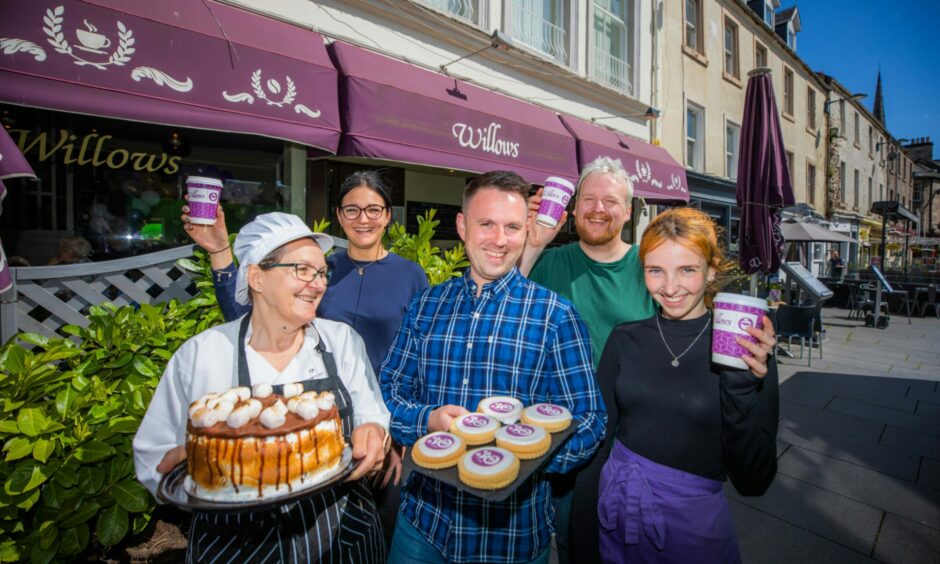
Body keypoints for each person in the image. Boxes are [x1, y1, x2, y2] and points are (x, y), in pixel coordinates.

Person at [183, 171, 428, 544]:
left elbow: (419, 361)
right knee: (318, 534)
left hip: (382, 424)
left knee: (380, 531)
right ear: (338, 215)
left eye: (374, 209)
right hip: (313, 423)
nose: (364, 218)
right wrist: (220, 253)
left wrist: (396, 436)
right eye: (353, 209)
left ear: (388, 215)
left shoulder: (411, 276)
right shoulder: (317, 269)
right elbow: (249, 319)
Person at [133, 212, 392, 562]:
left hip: (344, 533)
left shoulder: (341, 341)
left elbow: (372, 413)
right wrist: (194, 467)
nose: (317, 284)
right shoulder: (203, 354)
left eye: (321, 273)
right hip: (236, 544)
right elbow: (152, 457)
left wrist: (375, 431)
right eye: (302, 269)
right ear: (256, 277)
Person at [380, 171, 607, 564]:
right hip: (422, 524)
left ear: (526, 231)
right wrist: (427, 420)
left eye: (513, 227)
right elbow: (389, 392)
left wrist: (523, 459)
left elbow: (590, 420)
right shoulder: (426, 306)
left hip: (511, 537)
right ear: (462, 226)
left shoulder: (556, 316)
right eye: (486, 224)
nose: (500, 240)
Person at [595, 207, 778, 563]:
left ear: (711, 271)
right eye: (655, 271)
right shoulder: (624, 339)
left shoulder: (746, 350)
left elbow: (754, 481)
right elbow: (599, 449)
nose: (670, 287)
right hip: (618, 513)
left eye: (687, 270)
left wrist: (741, 385)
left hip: (695, 532)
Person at [518, 157, 653, 563]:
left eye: (610, 201)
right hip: (565, 438)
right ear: (573, 209)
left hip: (633, 441)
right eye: (589, 199)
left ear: (627, 211)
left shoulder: (649, 269)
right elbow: (501, 303)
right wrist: (534, 242)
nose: (598, 209)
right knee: (575, 545)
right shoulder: (550, 262)